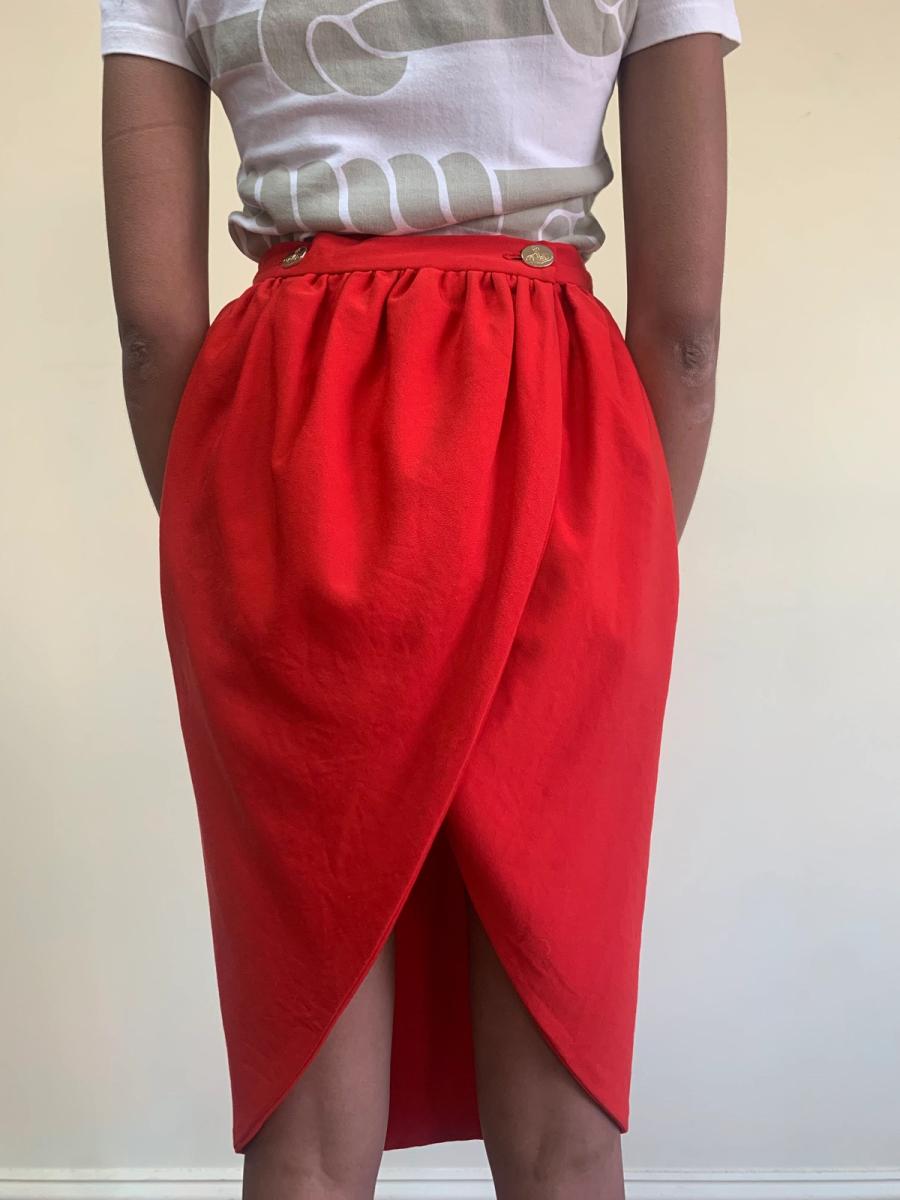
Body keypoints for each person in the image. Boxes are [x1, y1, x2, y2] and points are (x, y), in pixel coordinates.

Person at [100, 3, 740, 1197]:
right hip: (558, 441)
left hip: (291, 458)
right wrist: (626, 557)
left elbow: (151, 333)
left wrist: (220, 540)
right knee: (564, 1108)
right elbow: (685, 336)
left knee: (306, 1103)